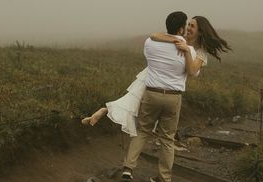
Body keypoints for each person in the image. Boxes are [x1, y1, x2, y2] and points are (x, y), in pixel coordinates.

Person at [81, 16, 230, 137]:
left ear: (200, 32)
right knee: (134, 102)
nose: (188, 28)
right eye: (188, 25)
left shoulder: (200, 53)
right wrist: (175, 40)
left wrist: (186, 50)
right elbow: (154, 35)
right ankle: (106, 112)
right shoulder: (179, 38)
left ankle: (104, 111)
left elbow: (192, 70)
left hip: (163, 81)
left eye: (192, 26)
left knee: (133, 102)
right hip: (154, 77)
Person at [121, 11, 197, 182]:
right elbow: (192, 72)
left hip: (152, 94)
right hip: (173, 97)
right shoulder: (188, 49)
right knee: (167, 139)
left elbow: (154, 36)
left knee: (143, 131)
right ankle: (164, 179)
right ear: (180, 28)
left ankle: (128, 168)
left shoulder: (150, 43)